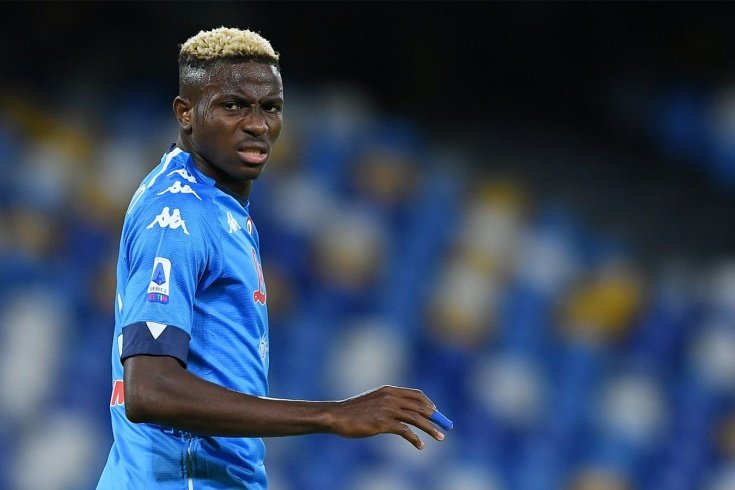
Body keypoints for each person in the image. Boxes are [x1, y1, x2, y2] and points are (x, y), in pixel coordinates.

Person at [97, 27, 446, 489]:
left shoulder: (217, 204)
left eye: (270, 107)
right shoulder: (178, 214)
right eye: (233, 106)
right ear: (186, 113)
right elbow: (149, 390)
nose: (257, 124)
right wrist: (332, 415)